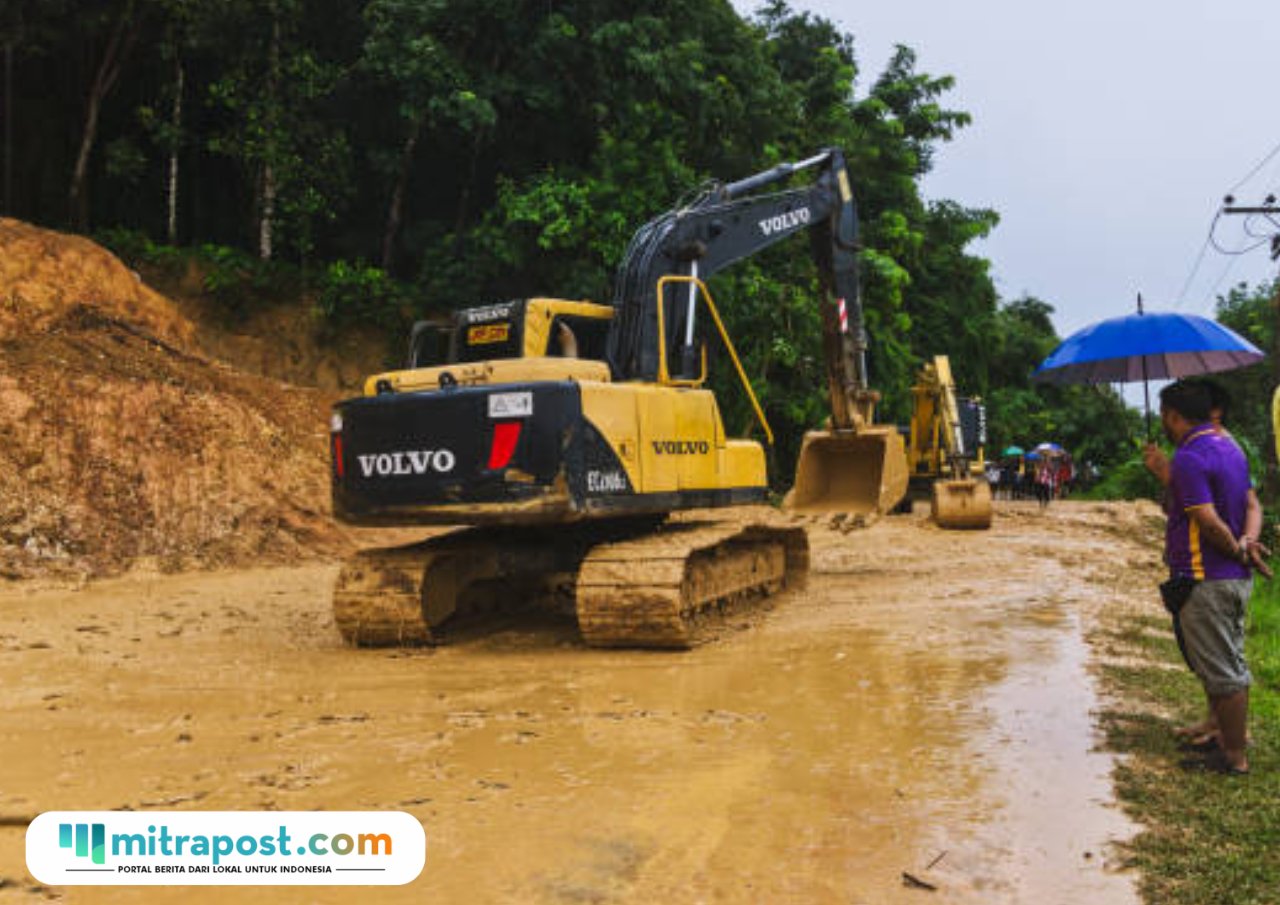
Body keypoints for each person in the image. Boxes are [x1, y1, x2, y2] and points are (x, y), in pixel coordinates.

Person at [1145, 380, 1268, 775]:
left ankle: (1232, 756)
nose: (1163, 422)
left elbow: (1207, 520)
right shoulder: (1229, 446)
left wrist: (1236, 549)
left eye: (1164, 415)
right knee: (1227, 661)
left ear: (1174, 416)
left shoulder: (1189, 456)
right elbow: (1252, 503)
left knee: (1223, 671)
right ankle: (1225, 739)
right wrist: (1248, 543)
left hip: (1207, 576)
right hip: (1231, 576)